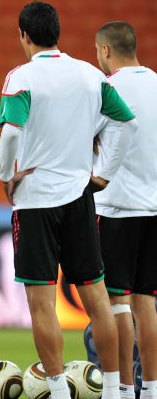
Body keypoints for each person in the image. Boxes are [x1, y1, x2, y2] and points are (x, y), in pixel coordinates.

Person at [0, 2, 138, 399]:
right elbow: (126, 123)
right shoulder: (90, 74)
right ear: (57, 31)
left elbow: (10, 133)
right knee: (98, 299)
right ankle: (115, 390)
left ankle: (58, 392)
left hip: (35, 201)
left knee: (42, 304)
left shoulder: (21, 76)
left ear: (24, 35)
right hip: (80, 198)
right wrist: (104, 173)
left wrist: (7, 175)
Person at [94, 21, 157, 399]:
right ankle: (150, 389)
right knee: (146, 302)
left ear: (105, 51)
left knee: (116, 303)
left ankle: (118, 389)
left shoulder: (108, 89)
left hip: (116, 207)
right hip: (155, 208)